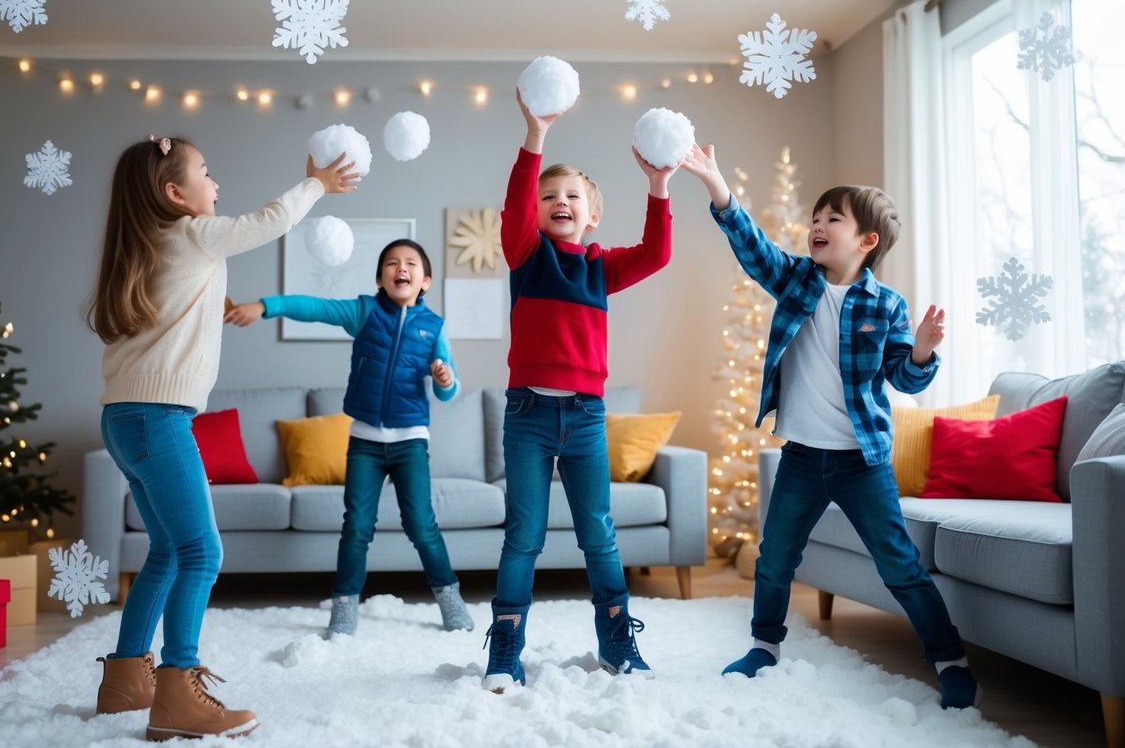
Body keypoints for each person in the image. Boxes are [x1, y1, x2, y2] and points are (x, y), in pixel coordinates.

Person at [680, 142, 980, 709]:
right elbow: (750, 245)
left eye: (832, 219)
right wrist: (716, 184)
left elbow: (904, 381)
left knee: (900, 567)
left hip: (859, 460)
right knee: (774, 559)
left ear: (867, 241)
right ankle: (764, 647)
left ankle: (950, 660)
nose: (816, 226)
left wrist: (920, 352)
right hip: (801, 457)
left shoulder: (886, 304)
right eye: (815, 218)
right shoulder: (795, 280)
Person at [85, 135, 358, 740]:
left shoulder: (149, 244)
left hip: (124, 419)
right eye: (206, 173)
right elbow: (268, 220)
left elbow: (172, 315)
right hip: (159, 418)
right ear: (175, 194)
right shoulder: (192, 233)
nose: (217, 184)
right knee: (202, 553)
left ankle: (127, 682)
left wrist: (213, 306)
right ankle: (179, 692)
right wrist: (317, 183)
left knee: (164, 552)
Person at [481, 90, 674, 692]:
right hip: (528, 415)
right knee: (524, 535)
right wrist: (534, 138)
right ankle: (506, 648)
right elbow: (514, 209)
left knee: (599, 532)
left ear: (592, 215)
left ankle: (617, 639)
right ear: (535, 214)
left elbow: (657, 253)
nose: (558, 202)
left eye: (572, 197)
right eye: (549, 196)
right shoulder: (526, 255)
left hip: (587, 417)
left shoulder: (600, 265)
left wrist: (660, 186)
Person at [224, 239, 474, 636]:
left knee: (421, 524)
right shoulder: (364, 312)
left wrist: (444, 379)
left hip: (411, 441)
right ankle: (344, 606)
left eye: (410, 263)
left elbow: (450, 390)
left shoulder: (434, 328)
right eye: (391, 263)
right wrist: (264, 306)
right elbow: (314, 307)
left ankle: (449, 597)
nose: (400, 268)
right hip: (365, 442)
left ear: (424, 281)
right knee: (357, 525)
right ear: (380, 278)